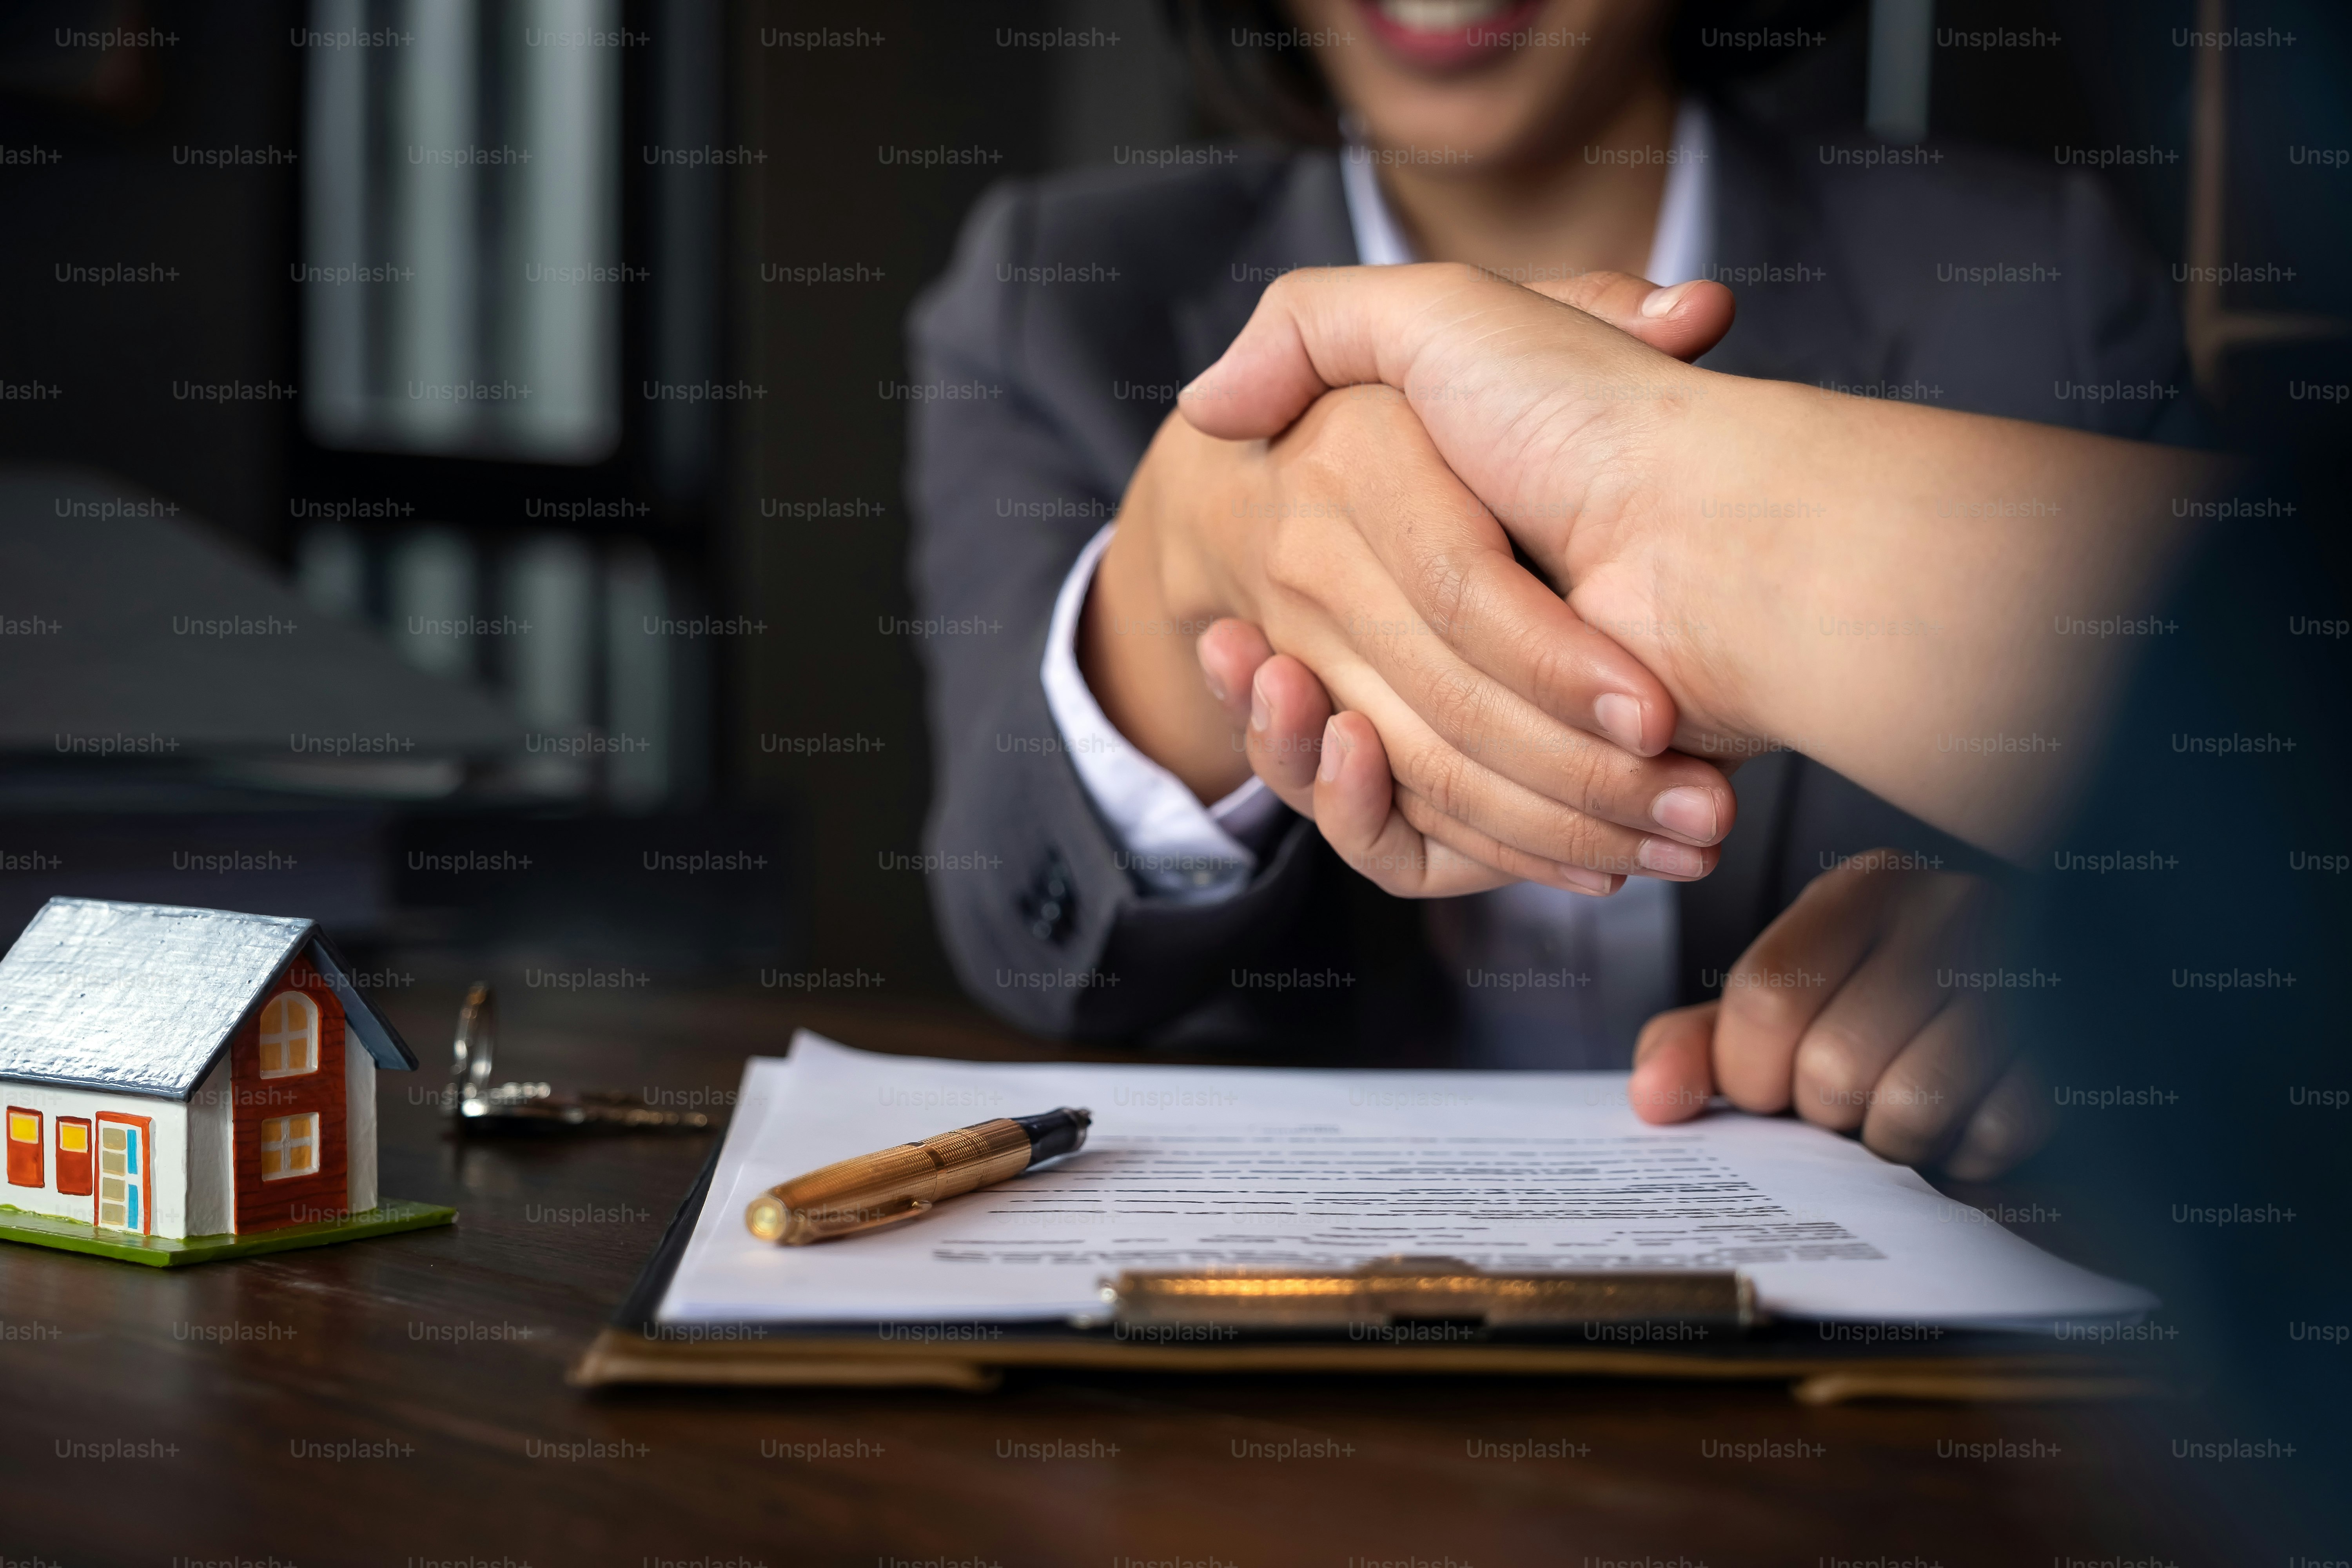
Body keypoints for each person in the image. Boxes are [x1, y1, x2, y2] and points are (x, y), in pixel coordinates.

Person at [902, 0, 2201, 1171]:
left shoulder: (2038, 281)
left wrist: (2070, 959)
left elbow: (2254, 828)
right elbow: (1025, 932)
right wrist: (1180, 561)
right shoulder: (1054, 292)